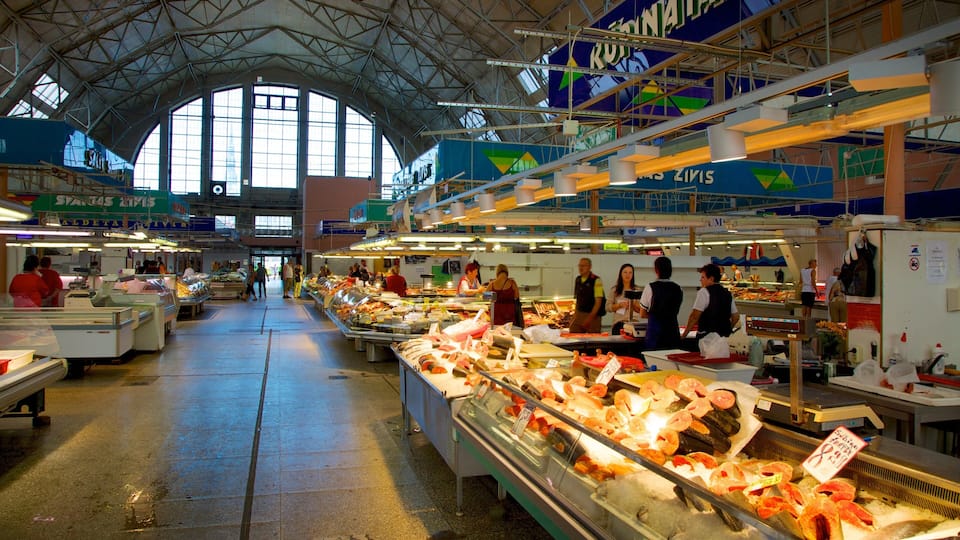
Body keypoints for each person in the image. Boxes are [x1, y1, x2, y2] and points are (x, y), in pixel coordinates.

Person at [682, 263, 739, 340]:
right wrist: (728, 330)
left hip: (706, 337)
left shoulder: (703, 292)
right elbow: (736, 317)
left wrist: (684, 335)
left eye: (703, 277)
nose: (700, 280)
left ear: (711, 279)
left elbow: (694, 317)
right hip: (723, 338)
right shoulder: (728, 293)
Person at [639, 256, 684, 349]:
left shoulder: (650, 287)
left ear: (656, 270)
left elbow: (642, 313)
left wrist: (654, 316)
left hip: (655, 334)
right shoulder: (678, 288)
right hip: (672, 332)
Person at [570, 258, 604, 333]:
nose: (581, 268)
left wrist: (589, 318)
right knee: (573, 334)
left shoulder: (596, 280)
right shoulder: (578, 279)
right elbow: (577, 299)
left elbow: (598, 303)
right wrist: (575, 315)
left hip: (593, 316)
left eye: (584, 266)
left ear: (590, 267)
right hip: (579, 313)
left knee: (592, 338)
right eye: (579, 265)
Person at [606, 263, 641, 336]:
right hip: (619, 323)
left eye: (630, 272)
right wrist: (619, 305)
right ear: (621, 274)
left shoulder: (637, 290)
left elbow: (641, 309)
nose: (627, 275)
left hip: (634, 323)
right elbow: (607, 307)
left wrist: (633, 305)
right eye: (625, 272)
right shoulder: (615, 290)